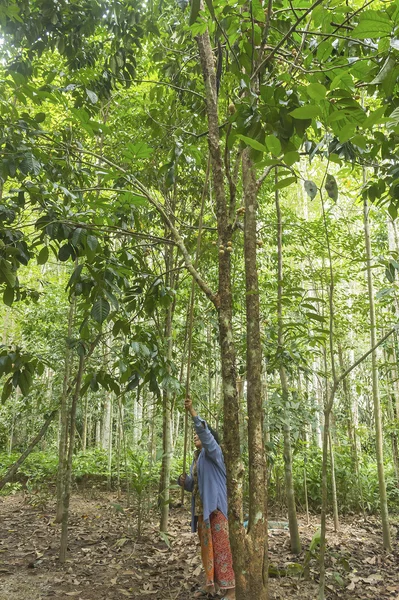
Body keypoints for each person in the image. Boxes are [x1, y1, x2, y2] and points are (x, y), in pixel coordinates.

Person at [178, 398, 235, 600]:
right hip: (203, 511)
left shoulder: (214, 452)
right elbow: (197, 485)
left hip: (216, 509)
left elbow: (205, 435)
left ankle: (231, 591)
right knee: (207, 551)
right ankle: (210, 585)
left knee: (221, 550)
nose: (196, 435)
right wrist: (184, 482)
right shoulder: (199, 457)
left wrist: (192, 411)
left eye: (199, 433)